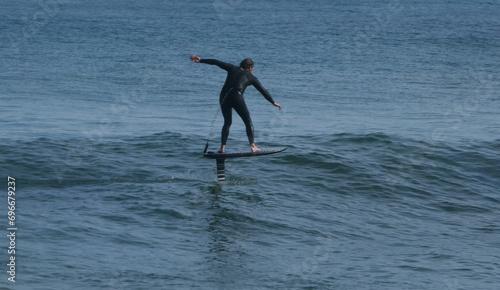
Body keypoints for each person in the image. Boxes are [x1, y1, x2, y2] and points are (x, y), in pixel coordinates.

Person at [190, 55, 281, 153]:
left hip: (224, 96)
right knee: (247, 121)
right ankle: (252, 146)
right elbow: (263, 91)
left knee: (227, 122)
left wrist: (201, 60)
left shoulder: (232, 68)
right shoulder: (251, 76)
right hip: (236, 97)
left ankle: (222, 148)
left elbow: (216, 62)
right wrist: (273, 102)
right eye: (252, 69)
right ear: (250, 68)